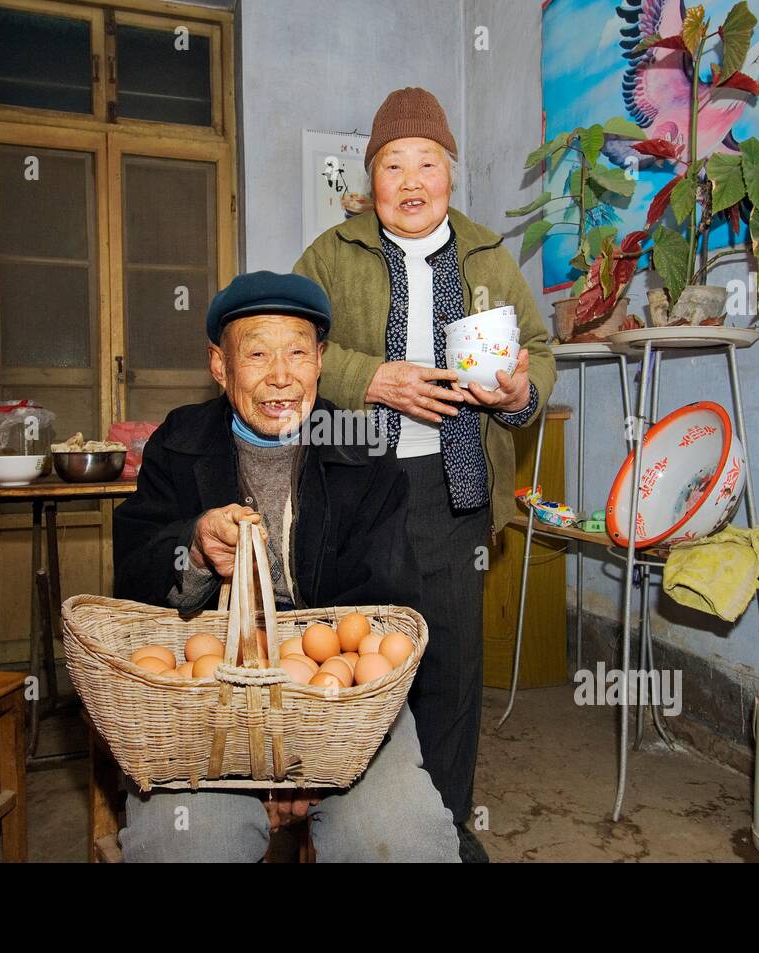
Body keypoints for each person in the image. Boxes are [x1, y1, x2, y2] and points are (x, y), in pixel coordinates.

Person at [111, 270, 459, 862]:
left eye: (297, 351)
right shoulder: (179, 442)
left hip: (343, 707)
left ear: (321, 359)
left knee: (404, 839)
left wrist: (313, 752)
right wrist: (193, 549)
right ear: (220, 367)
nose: (280, 376)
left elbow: (388, 604)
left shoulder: (363, 446)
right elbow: (133, 578)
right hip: (208, 697)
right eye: (257, 354)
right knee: (186, 844)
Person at [294, 86, 557, 861]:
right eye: (393, 164)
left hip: (454, 493)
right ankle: (354, 828)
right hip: (356, 494)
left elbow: (538, 349)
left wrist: (520, 390)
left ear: (450, 172)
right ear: (371, 178)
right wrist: (371, 378)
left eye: (428, 163)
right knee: (356, 665)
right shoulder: (330, 253)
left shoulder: (485, 255)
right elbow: (294, 349)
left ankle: (440, 833)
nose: (412, 180)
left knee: (449, 671)